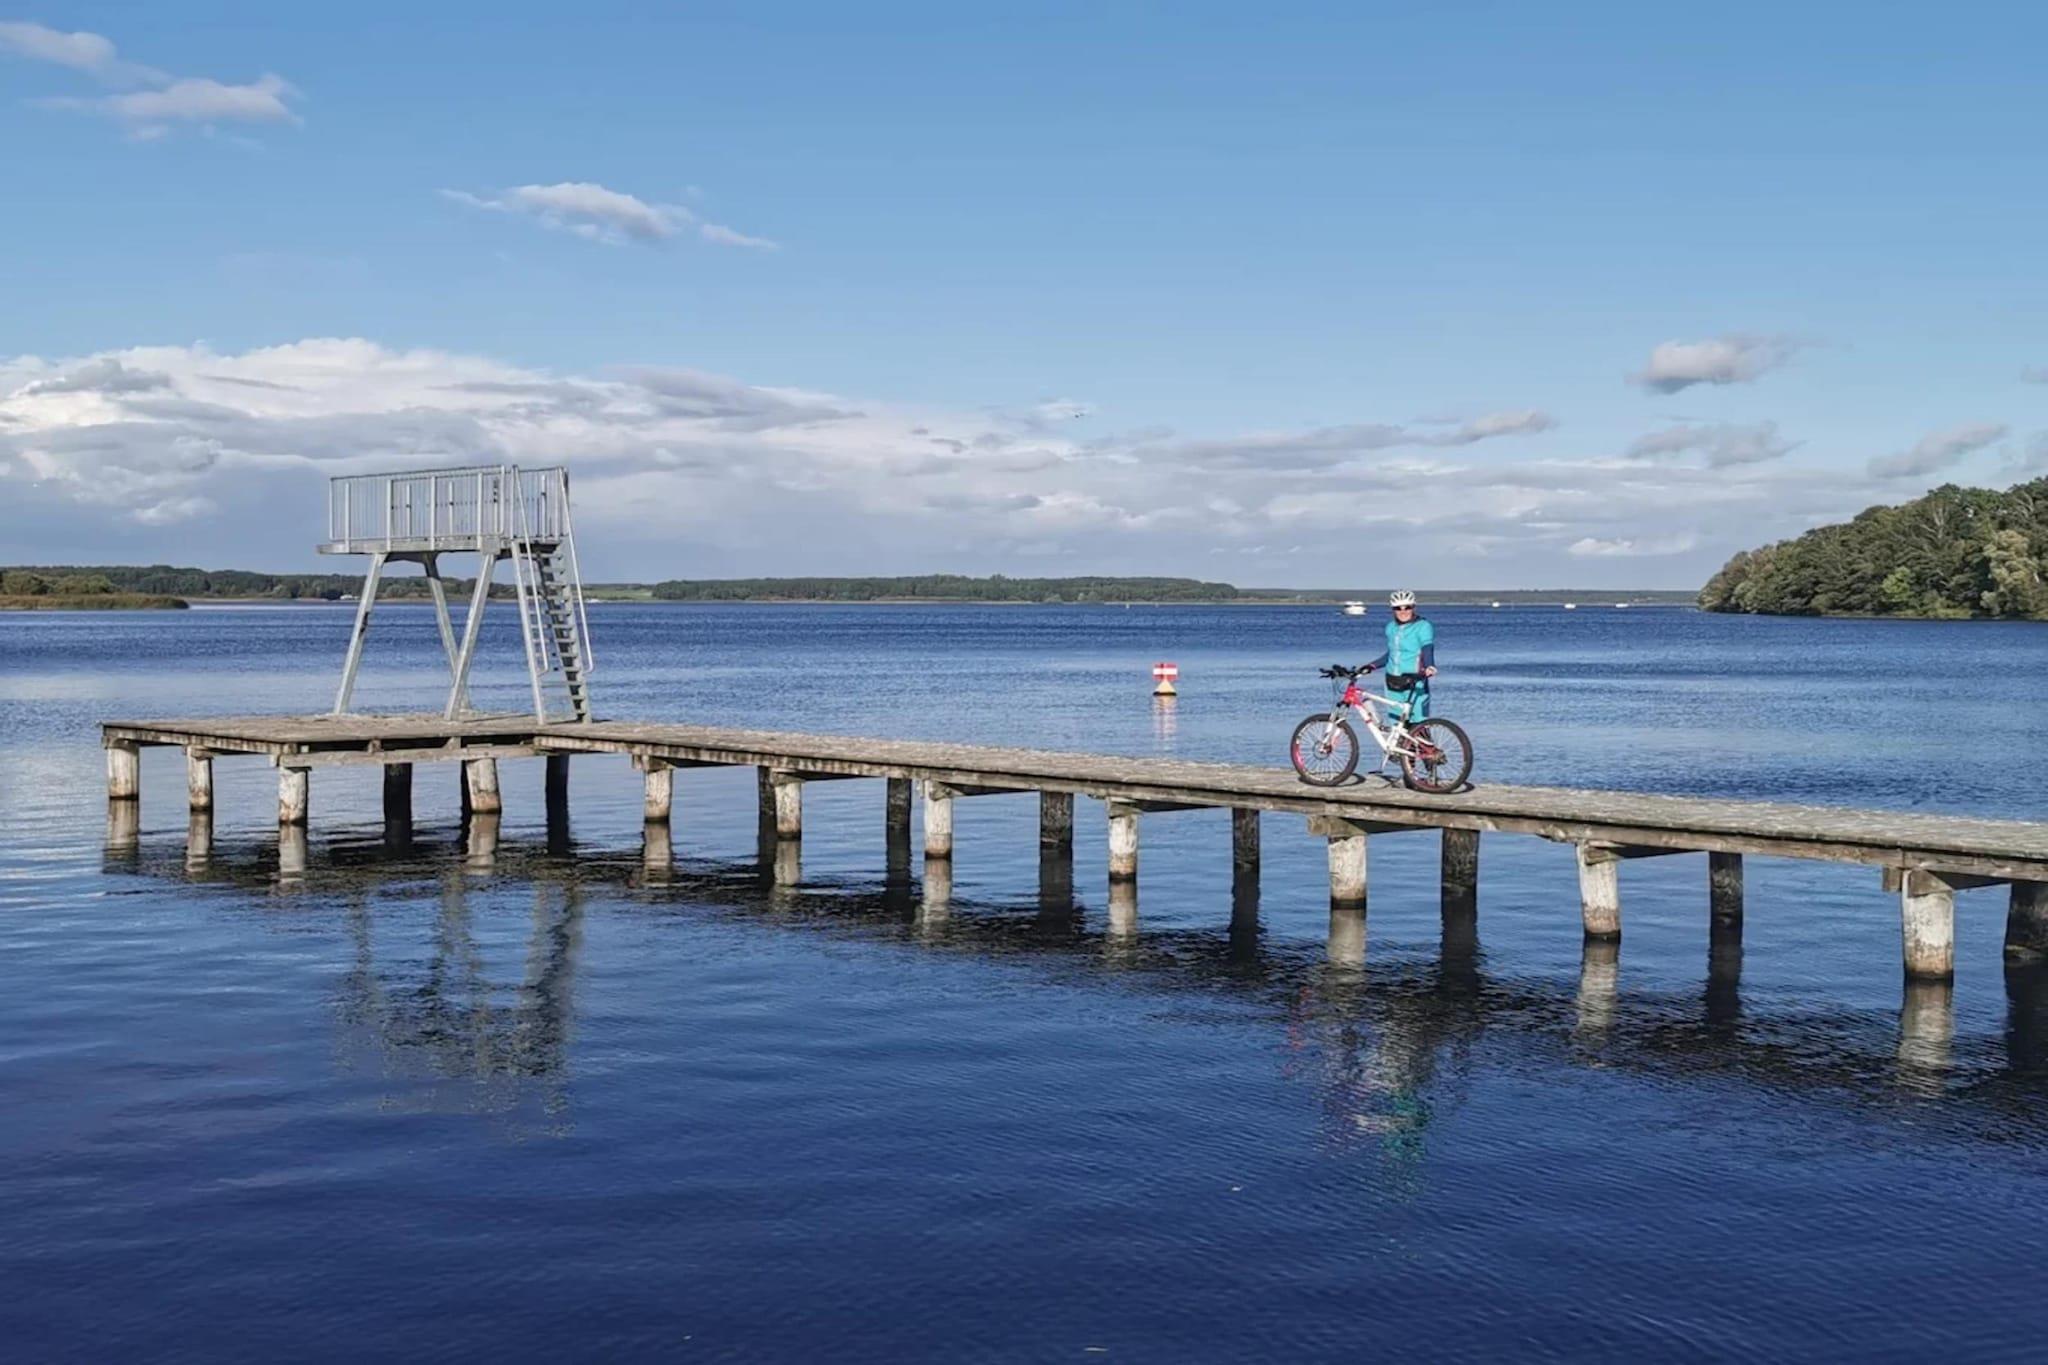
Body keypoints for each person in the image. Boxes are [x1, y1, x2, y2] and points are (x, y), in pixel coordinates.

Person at [1361, 589, 1436, 727]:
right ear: (1393, 609)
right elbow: (1392, 654)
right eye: (1398, 608)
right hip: (1392, 681)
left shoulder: (1423, 626)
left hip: (1414, 680)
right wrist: (1371, 666)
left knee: (1418, 723)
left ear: (1413, 607)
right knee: (1396, 725)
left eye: (1407, 607)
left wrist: (1430, 665)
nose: (1403, 611)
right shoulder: (1391, 628)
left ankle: (1424, 741)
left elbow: (1427, 648)